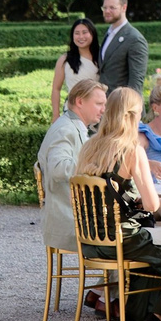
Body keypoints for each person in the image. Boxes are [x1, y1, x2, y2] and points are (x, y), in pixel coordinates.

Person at [74, 87, 161, 321]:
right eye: (139, 114)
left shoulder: (89, 146)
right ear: (131, 116)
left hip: (91, 241)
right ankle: (160, 313)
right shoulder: (132, 150)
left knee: (153, 245)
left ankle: (133, 309)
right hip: (123, 240)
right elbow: (152, 205)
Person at [38, 78, 106, 285]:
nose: (104, 109)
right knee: (125, 234)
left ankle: (104, 293)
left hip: (74, 213)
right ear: (79, 101)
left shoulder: (72, 126)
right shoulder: (65, 129)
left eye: (104, 104)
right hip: (70, 219)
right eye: (99, 104)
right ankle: (111, 294)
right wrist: (94, 167)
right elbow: (58, 168)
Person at [95, 0, 148, 98]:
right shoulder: (109, 33)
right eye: (104, 8)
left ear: (124, 8)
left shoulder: (135, 39)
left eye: (112, 7)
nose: (107, 11)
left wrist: (128, 110)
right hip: (105, 104)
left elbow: (136, 82)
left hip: (122, 106)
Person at [51, 19, 102, 107]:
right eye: (77, 33)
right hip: (73, 111)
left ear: (92, 34)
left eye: (84, 32)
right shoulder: (65, 59)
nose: (81, 37)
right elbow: (56, 89)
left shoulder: (102, 57)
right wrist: (55, 115)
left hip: (97, 111)